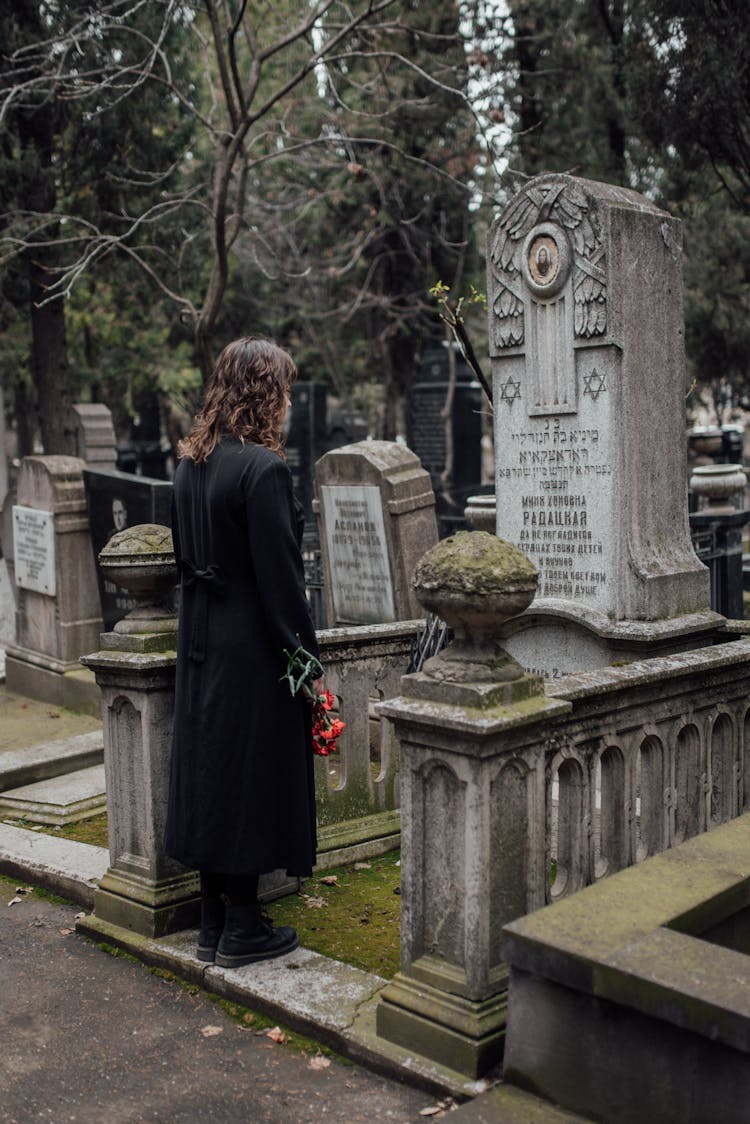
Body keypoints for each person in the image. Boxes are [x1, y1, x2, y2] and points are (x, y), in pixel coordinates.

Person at [164, 337, 323, 968]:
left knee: (212, 770)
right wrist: (306, 663)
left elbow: (185, 558)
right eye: (282, 389)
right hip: (250, 645)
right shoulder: (262, 469)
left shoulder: (190, 462)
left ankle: (213, 923)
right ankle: (243, 932)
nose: (287, 403)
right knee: (249, 774)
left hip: (199, 639)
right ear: (265, 393)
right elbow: (281, 581)